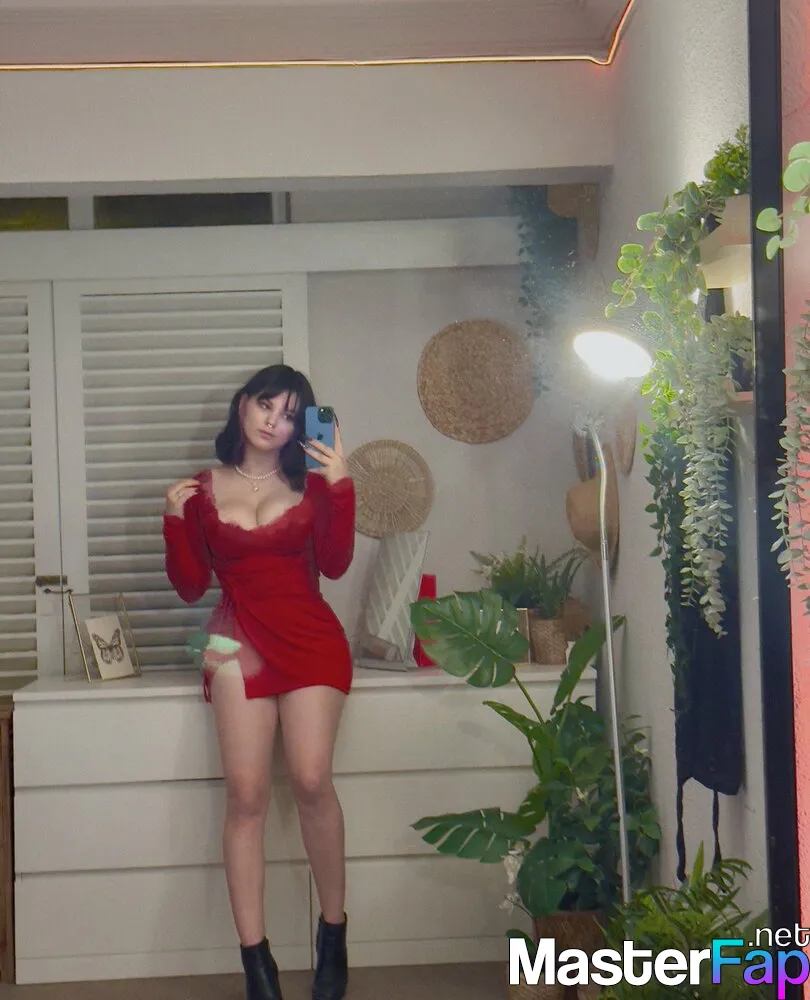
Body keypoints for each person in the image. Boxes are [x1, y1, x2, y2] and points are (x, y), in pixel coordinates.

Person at [162, 364, 355, 1000]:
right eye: (267, 404)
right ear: (243, 406)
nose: (275, 421)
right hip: (233, 636)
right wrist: (174, 521)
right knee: (245, 796)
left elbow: (335, 564)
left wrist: (340, 483)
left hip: (311, 636)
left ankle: (333, 933)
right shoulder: (200, 488)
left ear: (302, 427)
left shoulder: (314, 482)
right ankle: (257, 964)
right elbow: (191, 585)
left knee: (310, 779)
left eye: (291, 414)